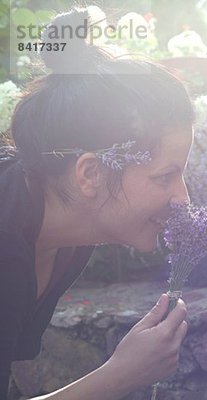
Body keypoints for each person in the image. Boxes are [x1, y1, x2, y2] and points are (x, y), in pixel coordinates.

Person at [0, 8, 195, 400]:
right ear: (90, 175)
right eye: (163, 176)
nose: (183, 199)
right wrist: (118, 377)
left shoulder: (64, 237)